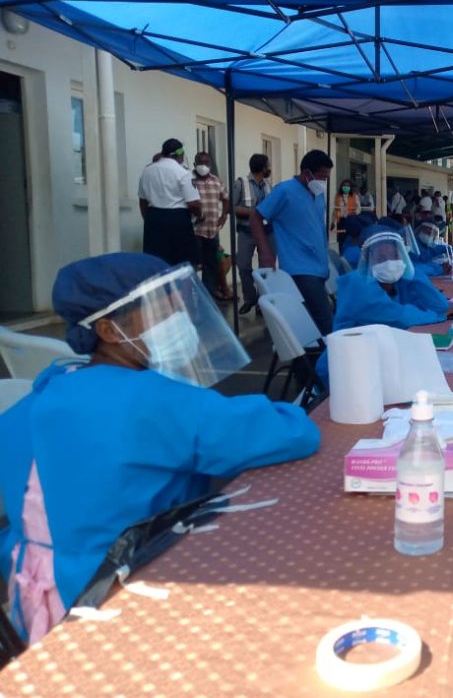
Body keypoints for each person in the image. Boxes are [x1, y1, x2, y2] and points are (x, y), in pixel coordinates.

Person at [0, 253, 319, 644]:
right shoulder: (151, 402)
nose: (177, 319)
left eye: (177, 306)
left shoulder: (40, 395)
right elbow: (294, 433)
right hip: (126, 602)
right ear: (109, 330)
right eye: (161, 310)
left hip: (32, 605)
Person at [314, 225, 453, 388]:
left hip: (375, 359)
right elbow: (401, 317)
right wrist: (439, 317)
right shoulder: (359, 286)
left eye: (395, 256)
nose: (390, 263)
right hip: (345, 369)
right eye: (381, 257)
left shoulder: (396, 283)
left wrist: (411, 272)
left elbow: (440, 305)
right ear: (367, 259)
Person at [251, 149, 334, 335]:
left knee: (313, 321)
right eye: (322, 176)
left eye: (327, 177)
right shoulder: (285, 190)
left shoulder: (318, 194)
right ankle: (325, 353)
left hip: (320, 266)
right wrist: (265, 252)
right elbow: (256, 217)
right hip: (300, 268)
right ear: (307, 173)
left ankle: (308, 353)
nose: (324, 181)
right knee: (325, 321)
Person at [138, 138, 201, 267]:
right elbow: (193, 203)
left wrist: (149, 219)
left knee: (156, 263)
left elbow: (142, 200)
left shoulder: (147, 171)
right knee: (181, 264)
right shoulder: (183, 173)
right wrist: (200, 215)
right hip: (177, 220)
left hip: (153, 219)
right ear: (180, 154)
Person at [233, 153, 274, 316]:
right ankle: (250, 298)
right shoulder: (240, 183)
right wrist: (254, 213)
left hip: (267, 232)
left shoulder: (268, 185)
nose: (270, 168)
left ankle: (261, 303)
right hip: (247, 231)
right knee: (243, 265)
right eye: (268, 165)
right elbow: (232, 207)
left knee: (266, 268)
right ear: (262, 167)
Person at [190, 152, 229, 299]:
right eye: (200, 162)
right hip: (194, 230)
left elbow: (226, 198)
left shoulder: (216, 181)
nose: (203, 166)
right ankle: (193, 295)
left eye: (206, 163)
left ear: (210, 165)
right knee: (193, 264)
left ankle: (209, 293)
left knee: (211, 263)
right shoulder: (189, 180)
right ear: (194, 164)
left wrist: (224, 215)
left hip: (212, 230)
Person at [333, 179, 359, 247]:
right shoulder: (338, 196)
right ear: (341, 187)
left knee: (349, 238)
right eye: (344, 186)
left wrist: (353, 214)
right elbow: (335, 210)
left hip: (351, 220)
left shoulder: (354, 196)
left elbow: (358, 209)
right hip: (341, 221)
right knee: (341, 239)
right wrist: (333, 222)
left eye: (347, 186)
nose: (346, 187)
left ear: (350, 187)